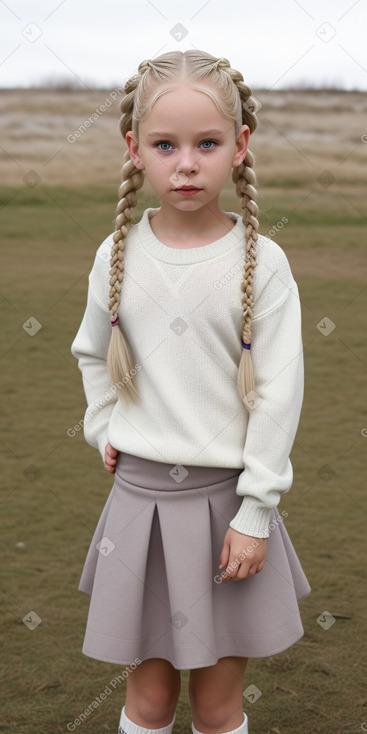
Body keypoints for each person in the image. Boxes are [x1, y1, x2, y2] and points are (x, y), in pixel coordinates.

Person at [71, 49, 311, 734]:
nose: (185, 163)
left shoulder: (263, 262)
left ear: (238, 147)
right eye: (164, 144)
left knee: (215, 707)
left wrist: (254, 512)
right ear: (134, 149)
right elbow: (92, 351)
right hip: (138, 510)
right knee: (147, 704)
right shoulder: (114, 254)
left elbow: (277, 391)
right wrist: (104, 427)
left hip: (226, 512)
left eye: (206, 143)